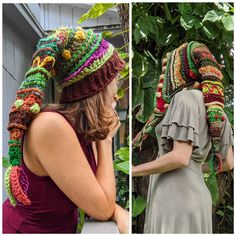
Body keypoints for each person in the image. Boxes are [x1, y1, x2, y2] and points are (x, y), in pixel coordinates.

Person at [3, 27, 129, 233]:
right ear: (99, 84)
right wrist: (105, 141)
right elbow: (102, 208)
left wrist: (114, 209)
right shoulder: (52, 126)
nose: (117, 88)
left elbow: (97, 195)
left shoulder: (76, 127)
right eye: (115, 76)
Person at [132, 41, 234, 233]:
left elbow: (180, 157)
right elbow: (228, 163)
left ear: (179, 70)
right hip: (197, 197)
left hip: (175, 198)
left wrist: (134, 170)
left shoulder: (184, 99)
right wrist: (194, 168)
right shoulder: (216, 109)